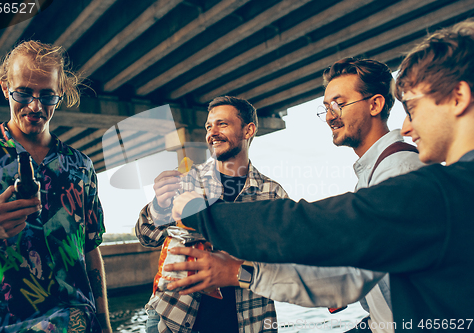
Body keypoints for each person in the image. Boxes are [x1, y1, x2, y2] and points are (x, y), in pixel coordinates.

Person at [173, 20, 474, 332]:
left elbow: (314, 228)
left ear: (458, 97)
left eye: (411, 109)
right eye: (326, 106)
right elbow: (348, 266)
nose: (408, 128)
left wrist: (205, 215)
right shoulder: (405, 177)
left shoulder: (419, 180)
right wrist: (240, 272)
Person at [0, 41, 112, 332]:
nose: (35, 106)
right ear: (4, 87)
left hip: (79, 324)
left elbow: (90, 250)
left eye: (47, 96)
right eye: (23, 93)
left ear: (60, 93)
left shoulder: (81, 166)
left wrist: (106, 326)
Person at [135, 96, 288, 333]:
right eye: (209, 126)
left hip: (251, 322)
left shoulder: (272, 193)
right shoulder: (186, 181)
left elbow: (289, 262)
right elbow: (146, 236)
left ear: (249, 130)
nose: (212, 132)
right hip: (173, 319)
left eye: (222, 124)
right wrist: (159, 205)